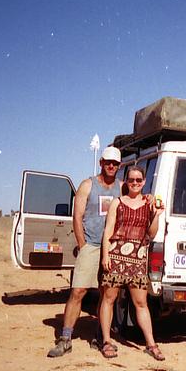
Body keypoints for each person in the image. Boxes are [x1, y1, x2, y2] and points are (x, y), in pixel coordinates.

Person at [47, 146, 123, 358]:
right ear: (101, 162)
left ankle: (100, 336)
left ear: (120, 166)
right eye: (108, 161)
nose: (111, 166)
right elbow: (77, 217)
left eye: (115, 163)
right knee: (78, 291)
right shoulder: (88, 185)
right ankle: (66, 338)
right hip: (91, 245)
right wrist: (83, 245)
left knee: (106, 294)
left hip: (112, 249)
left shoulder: (122, 188)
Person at [98, 166, 165, 360]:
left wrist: (156, 215)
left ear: (144, 182)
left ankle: (151, 344)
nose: (135, 183)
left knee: (141, 302)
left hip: (138, 257)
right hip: (116, 255)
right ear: (126, 182)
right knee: (109, 299)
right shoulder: (117, 203)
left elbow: (151, 233)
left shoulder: (149, 203)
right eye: (131, 180)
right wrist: (105, 256)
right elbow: (108, 230)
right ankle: (106, 341)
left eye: (138, 180)